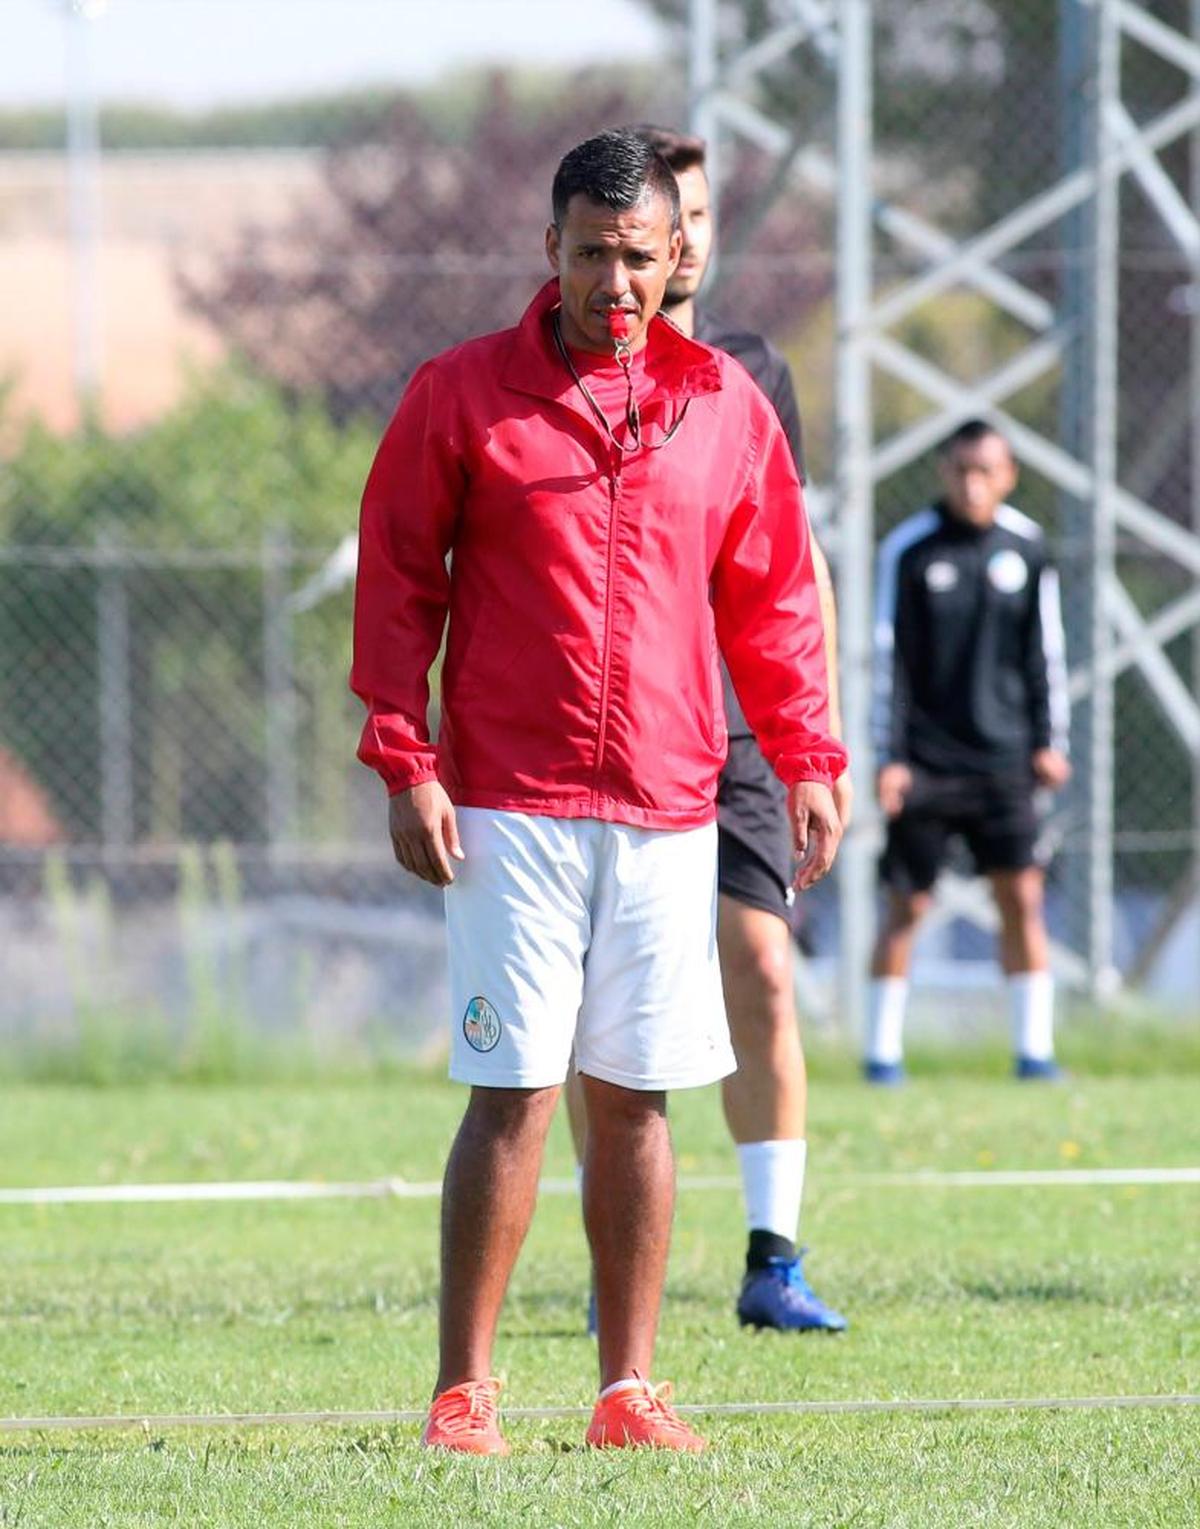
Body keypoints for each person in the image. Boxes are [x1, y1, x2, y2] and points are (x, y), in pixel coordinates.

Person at [351, 129, 845, 1456]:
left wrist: (808, 753)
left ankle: (628, 1390)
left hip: (673, 802)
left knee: (636, 1090)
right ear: (549, 249)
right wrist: (406, 758)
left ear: (675, 251)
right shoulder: (460, 395)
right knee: (512, 1087)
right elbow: (400, 580)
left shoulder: (728, 408)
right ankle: (465, 1391)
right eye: (589, 255)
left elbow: (776, 598)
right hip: (510, 798)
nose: (612, 283)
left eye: (636, 257)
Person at [563, 125, 849, 1335]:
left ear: (692, 238)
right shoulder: (554, 368)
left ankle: (772, 1256)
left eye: (693, 221)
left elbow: (791, 562)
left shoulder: (744, 375)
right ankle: (607, 1251)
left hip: (727, 736)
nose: (670, 248)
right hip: (602, 742)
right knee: (596, 1012)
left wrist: (815, 740)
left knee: (765, 970)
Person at [865, 420, 1071, 1084]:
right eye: (960, 469)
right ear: (943, 472)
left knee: (1022, 897)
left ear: (1009, 475)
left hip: (1005, 760)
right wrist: (888, 754)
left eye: (985, 470)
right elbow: (885, 657)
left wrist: (1048, 742)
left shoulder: (1026, 548)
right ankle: (880, 1055)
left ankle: (1034, 1053)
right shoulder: (910, 549)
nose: (972, 482)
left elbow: (1046, 654)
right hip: (924, 762)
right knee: (908, 905)